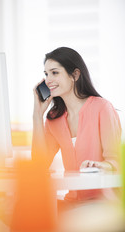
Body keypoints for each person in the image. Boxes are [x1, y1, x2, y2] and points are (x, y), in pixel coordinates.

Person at [32, 47, 121, 204]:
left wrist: (100, 166)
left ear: (75, 75)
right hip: (72, 202)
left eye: (54, 73)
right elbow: (39, 165)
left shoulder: (102, 108)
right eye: (46, 74)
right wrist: (37, 116)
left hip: (103, 203)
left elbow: (116, 162)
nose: (48, 80)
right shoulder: (54, 119)